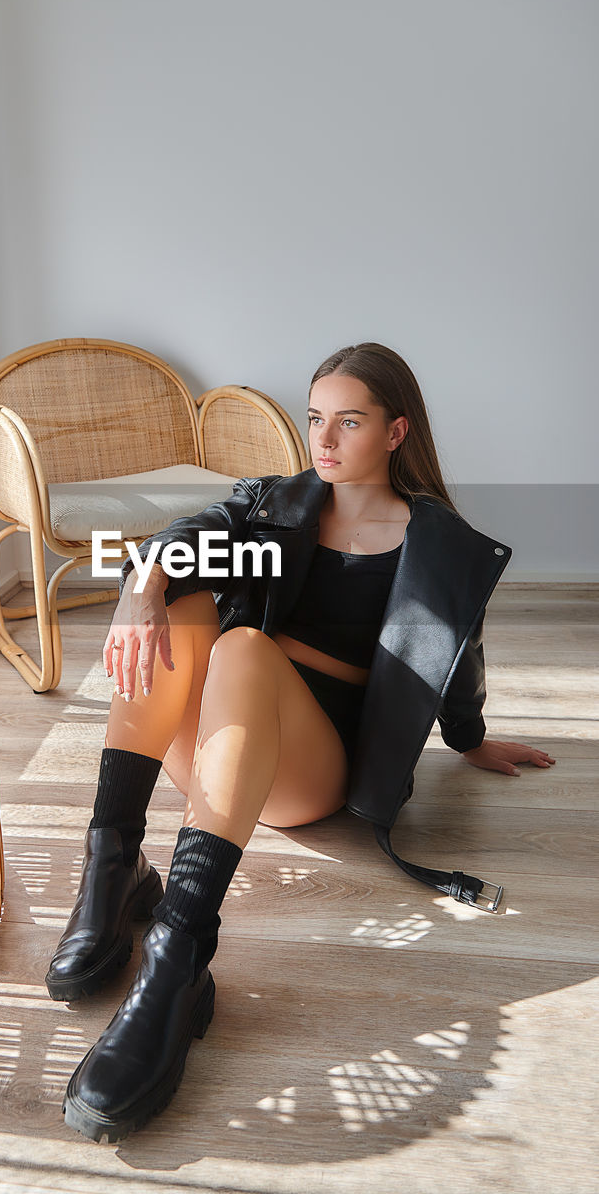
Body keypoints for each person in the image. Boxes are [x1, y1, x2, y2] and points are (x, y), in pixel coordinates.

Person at [46, 341, 554, 1143]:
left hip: (314, 771)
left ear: (394, 432)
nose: (324, 439)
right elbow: (189, 531)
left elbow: (460, 657)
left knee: (242, 644)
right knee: (178, 603)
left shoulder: (437, 546)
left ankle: (178, 959)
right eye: (315, 419)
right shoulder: (276, 505)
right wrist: (141, 584)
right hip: (229, 747)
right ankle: (112, 867)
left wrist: (470, 738)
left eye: (347, 422)